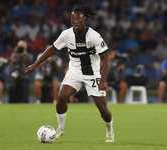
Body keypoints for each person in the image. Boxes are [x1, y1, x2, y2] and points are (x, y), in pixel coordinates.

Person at [25, 5, 114, 142]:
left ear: (85, 19)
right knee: (61, 97)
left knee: (103, 109)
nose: (75, 21)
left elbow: (105, 59)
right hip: (74, 72)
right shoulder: (66, 35)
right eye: (73, 18)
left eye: (78, 18)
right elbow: (52, 49)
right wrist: (35, 64)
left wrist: (102, 80)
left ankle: (109, 129)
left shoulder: (94, 36)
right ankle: (61, 127)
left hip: (93, 75)